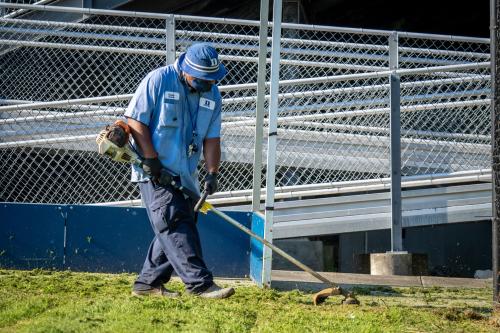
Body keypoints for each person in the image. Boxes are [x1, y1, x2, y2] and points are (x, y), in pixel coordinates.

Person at [124, 43, 234, 299]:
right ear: (186, 70)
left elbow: (212, 138)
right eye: (202, 80)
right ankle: (200, 285)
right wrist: (151, 160)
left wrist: (212, 173)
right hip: (154, 171)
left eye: (212, 80)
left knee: (175, 224)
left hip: (185, 174)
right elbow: (135, 120)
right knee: (174, 221)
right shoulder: (158, 80)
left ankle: (147, 284)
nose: (208, 85)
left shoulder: (212, 94)